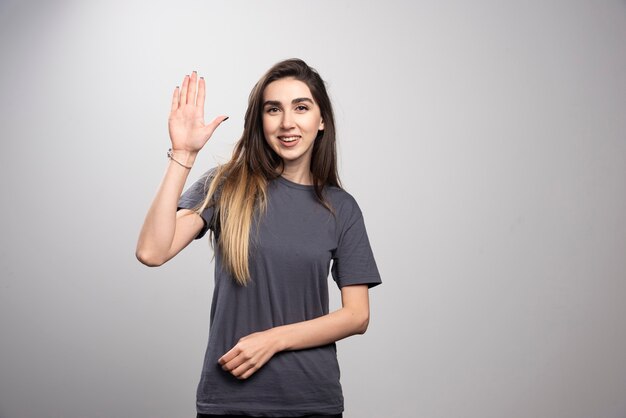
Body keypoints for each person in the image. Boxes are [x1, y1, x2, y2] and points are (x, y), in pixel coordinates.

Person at [136, 58, 381, 418]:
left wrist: (272, 340)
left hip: (311, 401)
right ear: (259, 120)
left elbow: (357, 316)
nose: (287, 122)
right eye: (273, 109)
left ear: (321, 119)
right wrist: (184, 156)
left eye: (301, 107)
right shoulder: (225, 186)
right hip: (230, 401)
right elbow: (152, 251)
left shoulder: (341, 208)